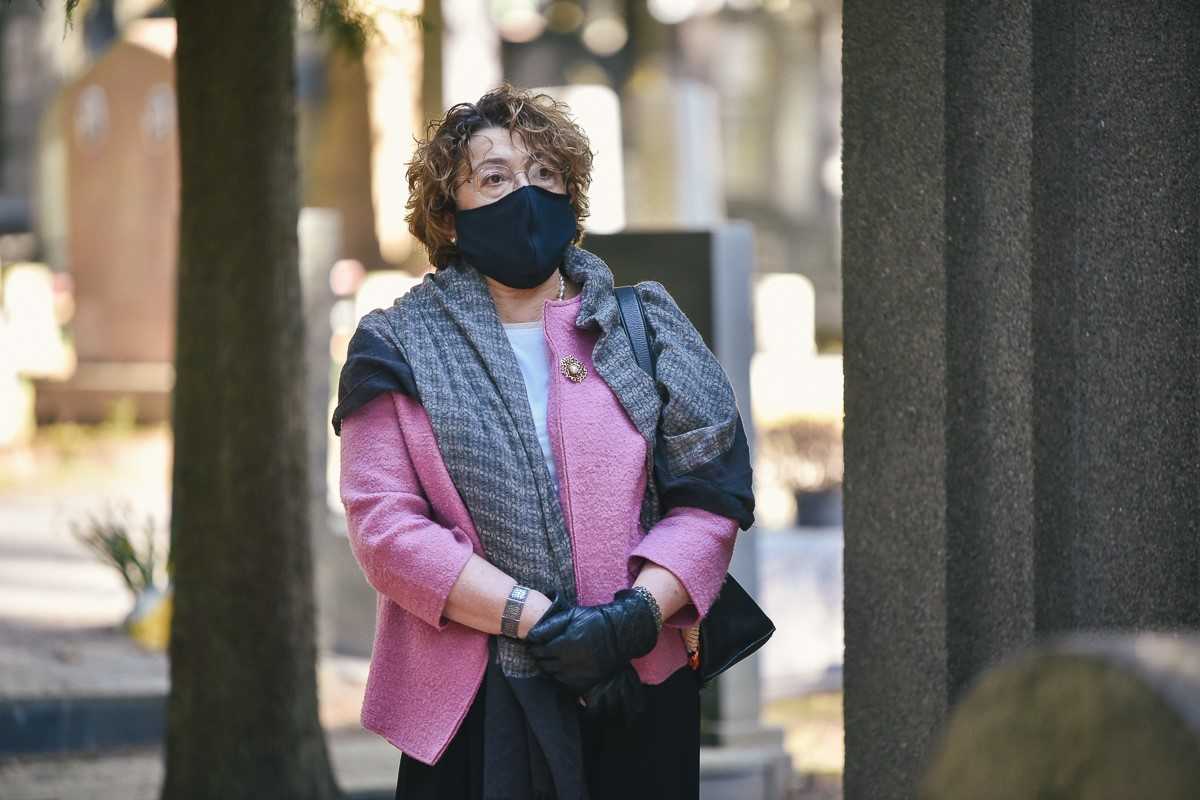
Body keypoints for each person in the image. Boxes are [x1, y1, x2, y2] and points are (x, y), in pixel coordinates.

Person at [331, 84, 755, 800]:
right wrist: (543, 622)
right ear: (448, 214)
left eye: (545, 173)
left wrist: (628, 620)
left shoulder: (646, 325)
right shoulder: (396, 345)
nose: (525, 194)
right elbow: (386, 528)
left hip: (637, 684)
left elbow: (712, 496)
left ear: (570, 195)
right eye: (494, 177)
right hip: (473, 700)